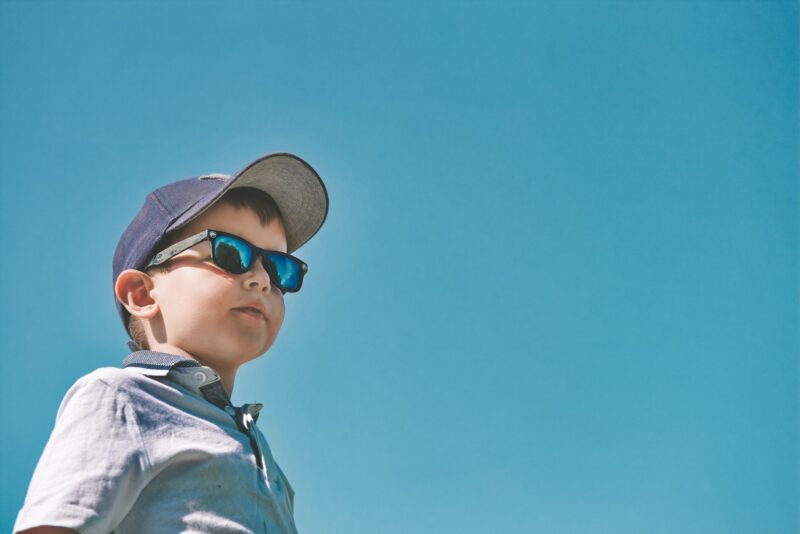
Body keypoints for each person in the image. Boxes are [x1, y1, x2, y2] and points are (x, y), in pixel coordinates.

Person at [13, 152, 329, 534]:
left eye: (279, 267)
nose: (262, 278)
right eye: (231, 253)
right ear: (143, 294)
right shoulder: (122, 397)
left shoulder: (258, 448)